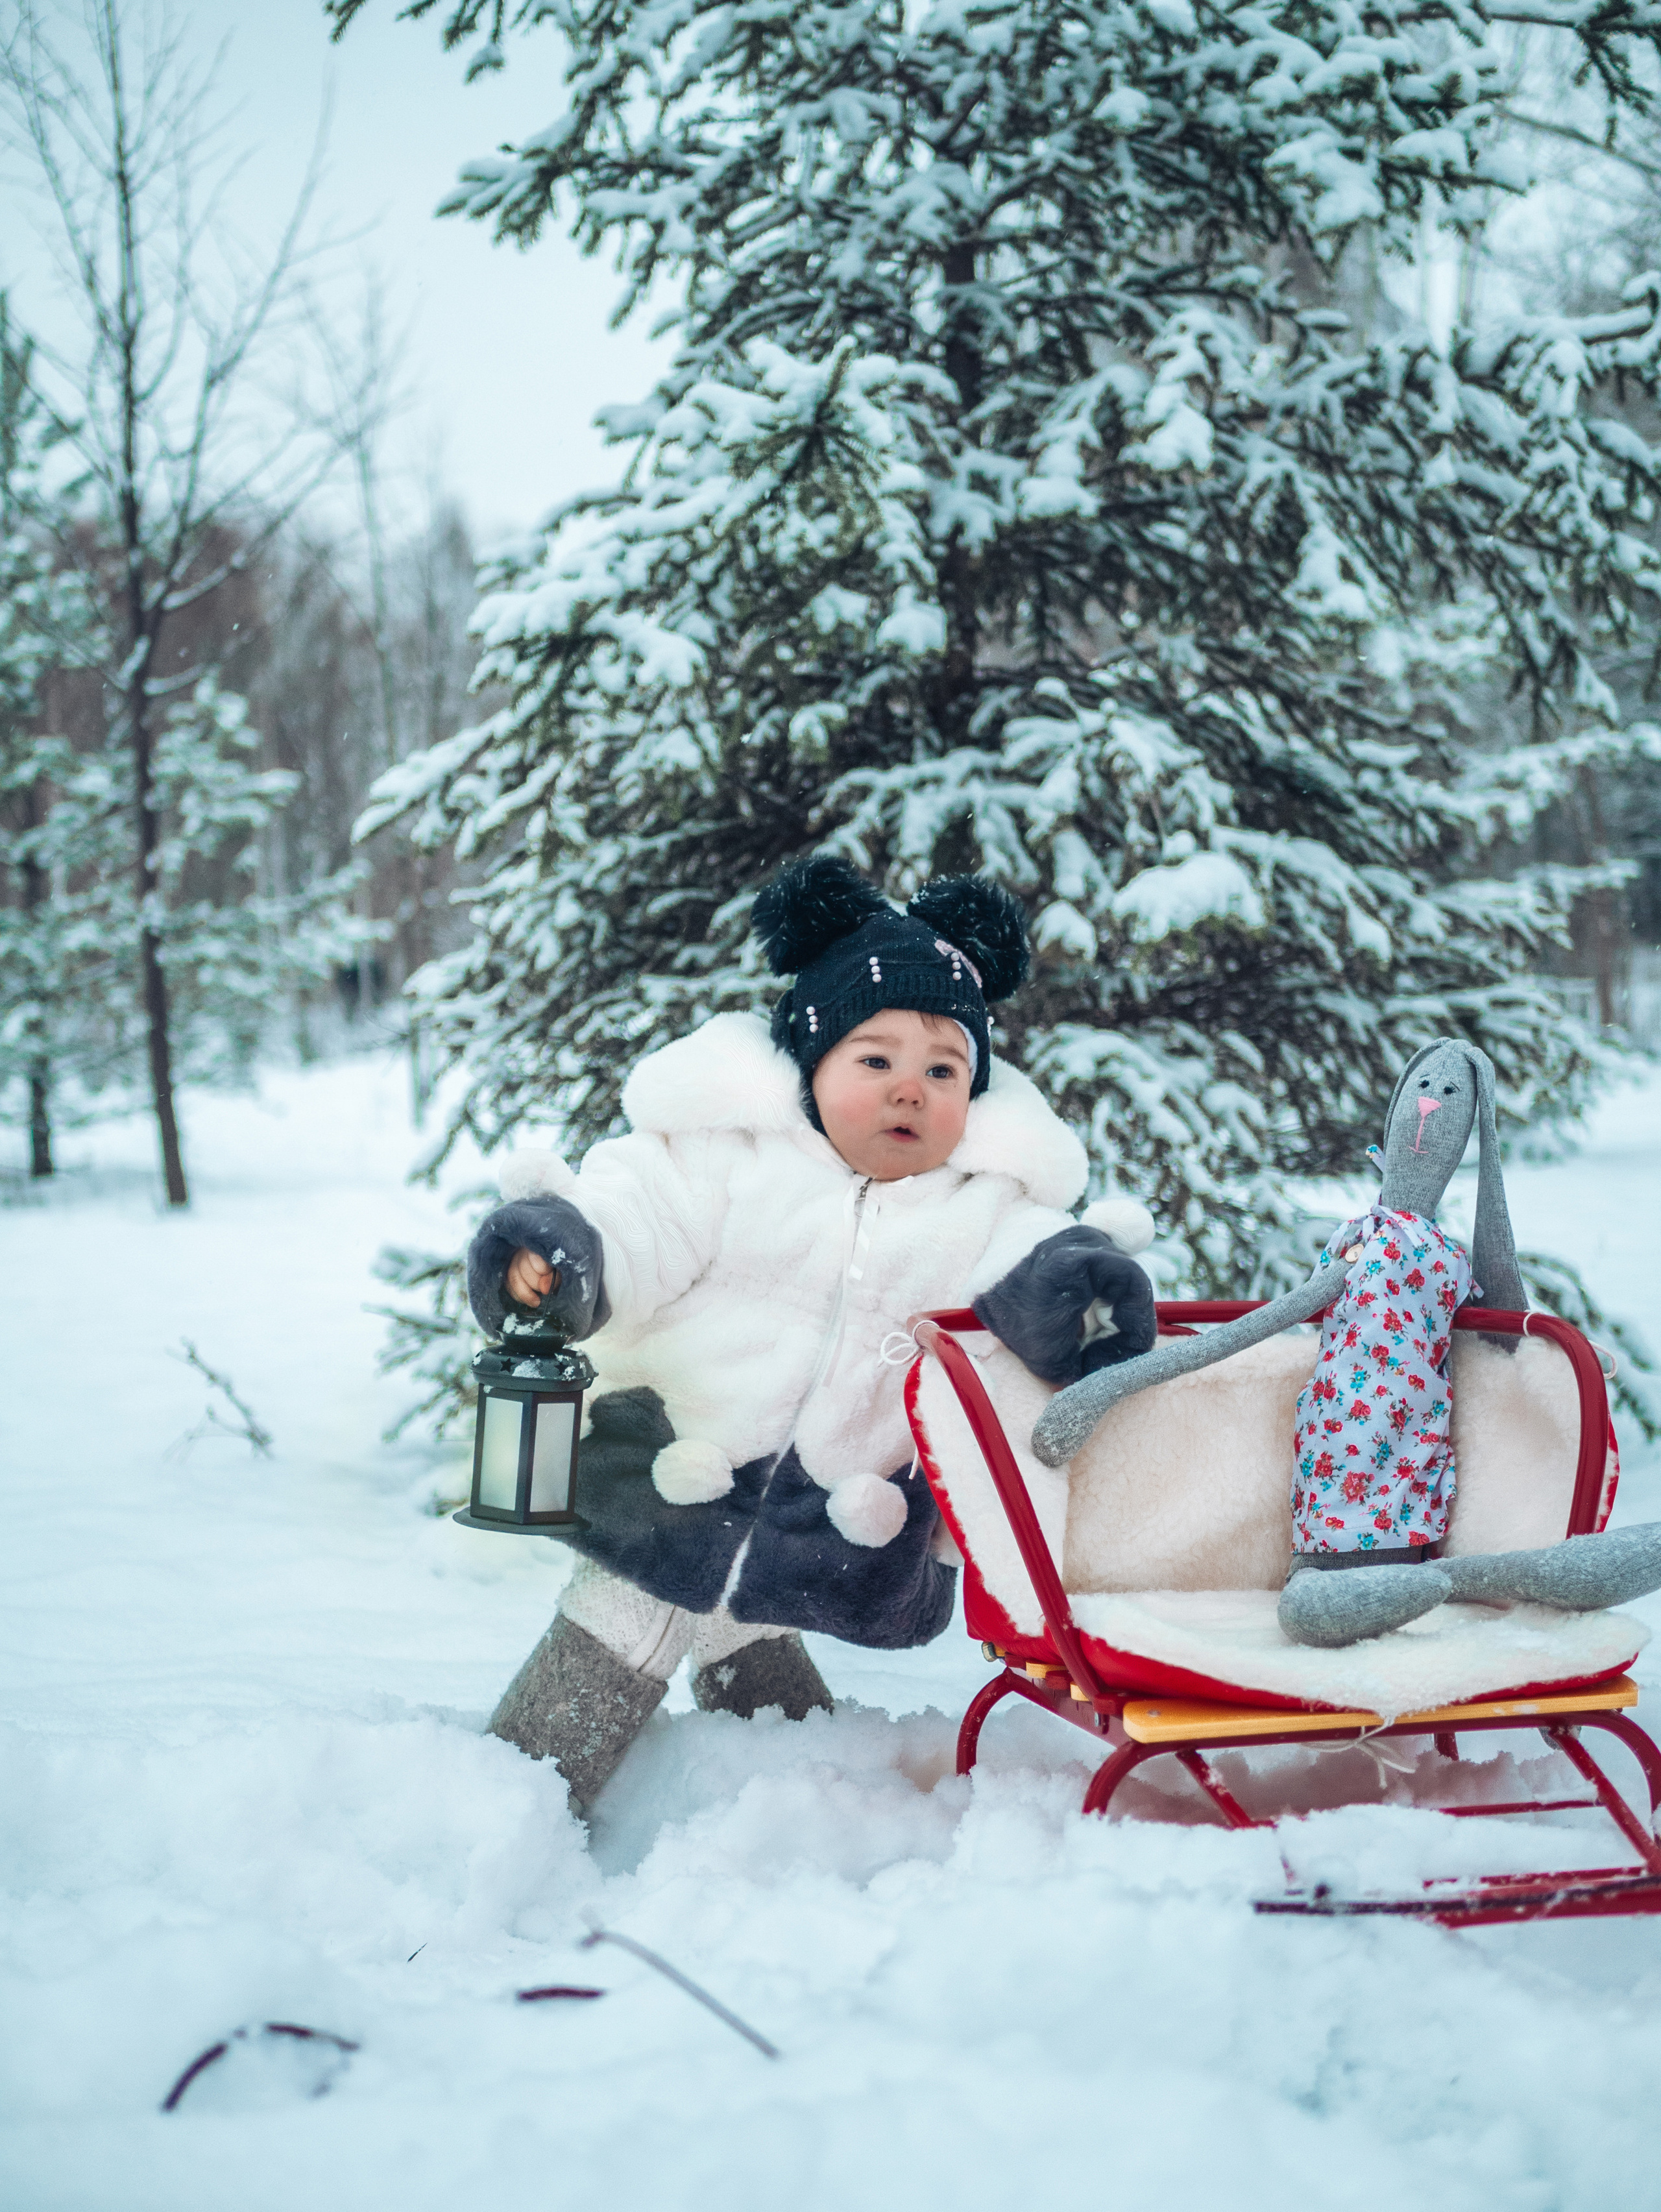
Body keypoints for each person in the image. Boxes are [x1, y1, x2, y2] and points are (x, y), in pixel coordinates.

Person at [465, 854, 1158, 1811]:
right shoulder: (725, 1156)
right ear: (813, 1058)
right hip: (678, 1461)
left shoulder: (983, 1205)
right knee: (620, 1623)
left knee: (741, 1627)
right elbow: (638, 1218)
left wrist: (1079, 1302)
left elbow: (1032, 1277)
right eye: (876, 1061)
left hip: (821, 1507)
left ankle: (783, 1824)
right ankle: (513, 1801)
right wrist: (565, 1257)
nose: (909, 1091)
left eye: (942, 1069)